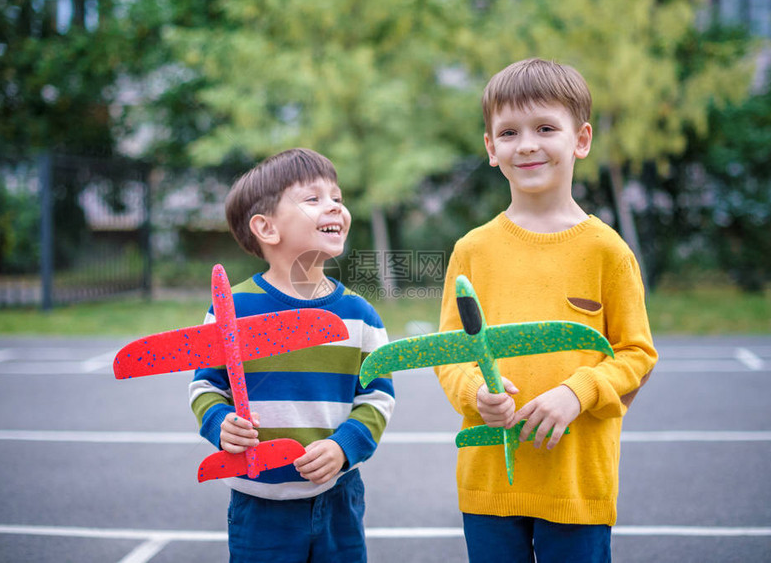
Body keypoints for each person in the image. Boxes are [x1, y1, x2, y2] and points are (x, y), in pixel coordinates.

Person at [435, 58, 658, 562]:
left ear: (580, 139)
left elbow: (636, 354)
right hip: (491, 479)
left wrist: (576, 394)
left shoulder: (608, 251)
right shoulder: (472, 250)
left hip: (577, 484)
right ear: (491, 149)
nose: (527, 144)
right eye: (509, 132)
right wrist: (475, 393)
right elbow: (450, 352)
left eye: (545, 128)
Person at [189, 148, 394, 562]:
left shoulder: (361, 315)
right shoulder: (232, 309)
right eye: (313, 199)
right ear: (266, 228)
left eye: (337, 197)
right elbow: (205, 385)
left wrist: (343, 447)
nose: (334, 206)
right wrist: (219, 424)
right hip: (258, 503)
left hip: (338, 496)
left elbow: (378, 397)